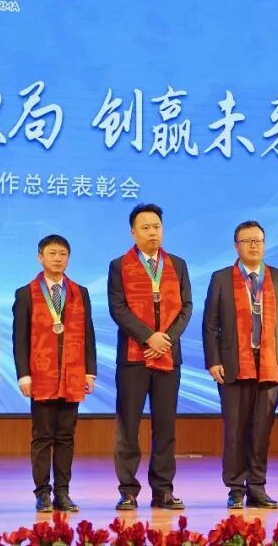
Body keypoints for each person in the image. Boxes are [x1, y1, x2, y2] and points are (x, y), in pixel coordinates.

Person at [203, 220, 278, 509]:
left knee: (261, 430)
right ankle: (235, 488)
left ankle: (257, 487)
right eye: (247, 241)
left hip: (269, 364)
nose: (254, 245)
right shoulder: (221, 278)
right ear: (236, 246)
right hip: (233, 365)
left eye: (258, 240)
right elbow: (210, 324)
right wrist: (213, 361)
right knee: (235, 431)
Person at [108, 203, 192, 511]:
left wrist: (165, 340)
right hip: (133, 359)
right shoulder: (119, 266)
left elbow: (186, 307)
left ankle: (163, 491)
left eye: (156, 226)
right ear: (133, 232)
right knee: (128, 427)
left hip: (168, 357)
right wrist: (148, 337)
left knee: (165, 428)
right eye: (145, 227)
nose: (152, 232)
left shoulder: (177, 264)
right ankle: (128, 491)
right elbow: (118, 309)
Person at [12, 234, 97, 513]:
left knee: (66, 437)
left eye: (62, 254)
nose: (57, 258)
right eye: (52, 253)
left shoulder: (79, 292)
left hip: (72, 374)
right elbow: (19, 338)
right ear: (40, 257)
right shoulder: (26, 293)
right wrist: (23, 374)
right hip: (41, 375)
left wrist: (90, 372)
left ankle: (63, 492)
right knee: (42, 437)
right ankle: (42, 493)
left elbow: (88, 334)